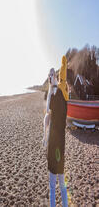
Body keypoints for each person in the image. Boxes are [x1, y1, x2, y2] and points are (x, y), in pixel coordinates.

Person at [43, 56, 69, 207]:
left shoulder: (60, 94)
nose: (52, 75)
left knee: (61, 186)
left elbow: (63, 80)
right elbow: (47, 114)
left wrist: (63, 66)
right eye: (50, 74)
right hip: (53, 147)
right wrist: (45, 137)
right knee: (54, 187)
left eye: (54, 73)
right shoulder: (52, 96)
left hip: (60, 146)